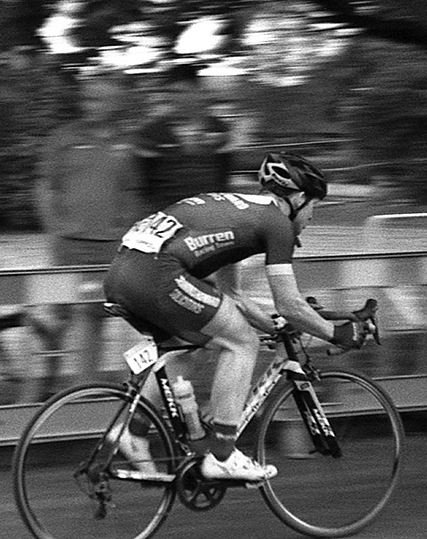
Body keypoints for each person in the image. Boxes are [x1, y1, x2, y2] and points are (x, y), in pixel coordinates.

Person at [102, 151, 368, 482]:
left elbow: (232, 296)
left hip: (121, 274)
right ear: (299, 198)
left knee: (189, 345)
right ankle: (223, 455)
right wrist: (337, 334)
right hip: (156, 275)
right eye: (314, 205)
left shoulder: (238, 210)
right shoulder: (277, 223)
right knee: (242, 343)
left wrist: (273, 325)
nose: (312, 215)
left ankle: (133, 431)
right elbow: (289, 304)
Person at [34, 70, 145, 267]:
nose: (90, 106)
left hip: (113, 244)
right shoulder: (63, 138)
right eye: (86, 99)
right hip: (69, 243)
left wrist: (124, 228)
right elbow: (46, 187)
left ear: (115, 103)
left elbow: (131, 190)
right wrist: (54, 228)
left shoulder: (127, 142)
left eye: (98, 100)